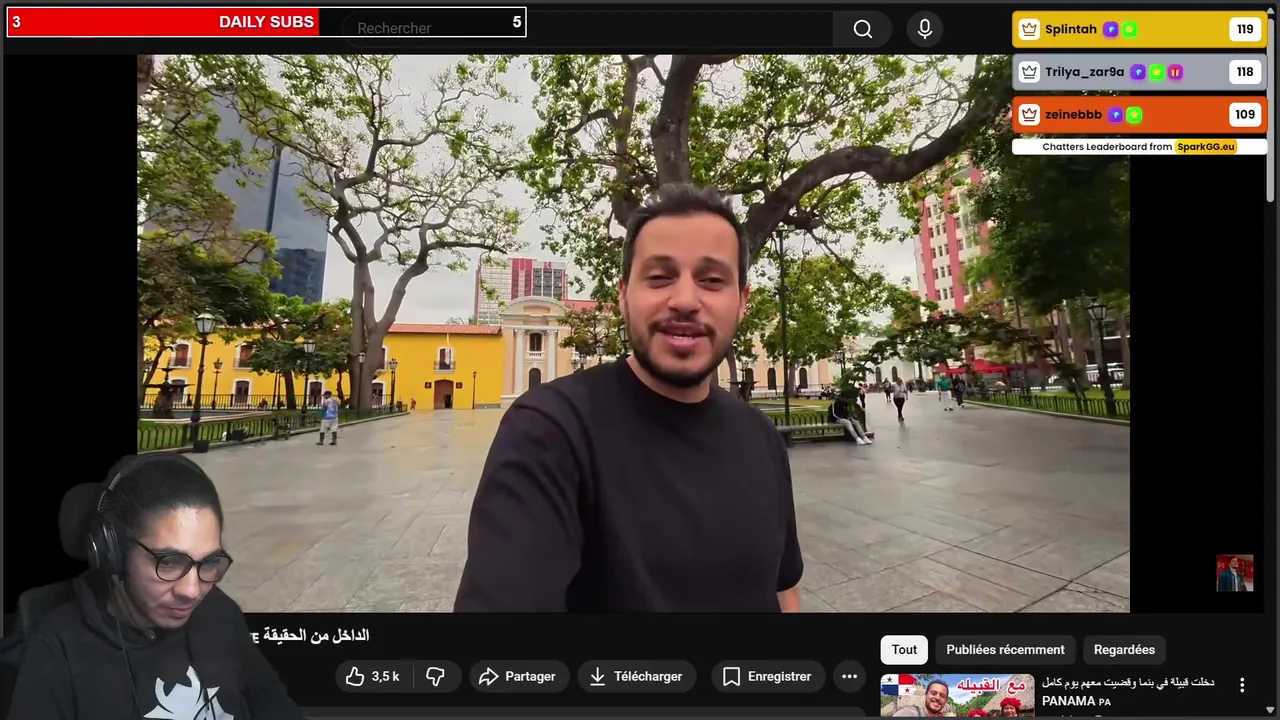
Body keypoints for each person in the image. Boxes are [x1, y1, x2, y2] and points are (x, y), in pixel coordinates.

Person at [455, 183, 803, 612]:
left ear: (742, 302)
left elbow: (784, 589)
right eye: (659, 277)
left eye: (712, 280)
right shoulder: (548, 433)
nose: (685, 300)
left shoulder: (761, 437)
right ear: (623, 296)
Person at [9, 454, 303, 720]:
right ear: (114, 553)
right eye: (169, 562)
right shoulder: (56, 651)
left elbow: (268, 695)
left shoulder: (219, 609)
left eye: (209, 562)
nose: (192, 591)